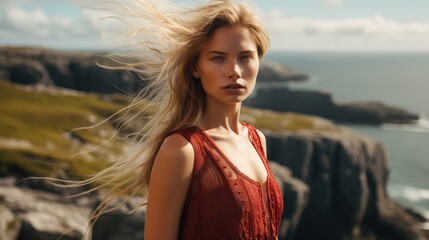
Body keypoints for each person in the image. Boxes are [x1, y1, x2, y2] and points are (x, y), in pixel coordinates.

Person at [85, 0, 284, 239]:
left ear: (258, 61)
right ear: (195, 68)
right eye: (218, 58)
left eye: (245, 57)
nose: (235, 71)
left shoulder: (256, 139)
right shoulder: (181, 150)